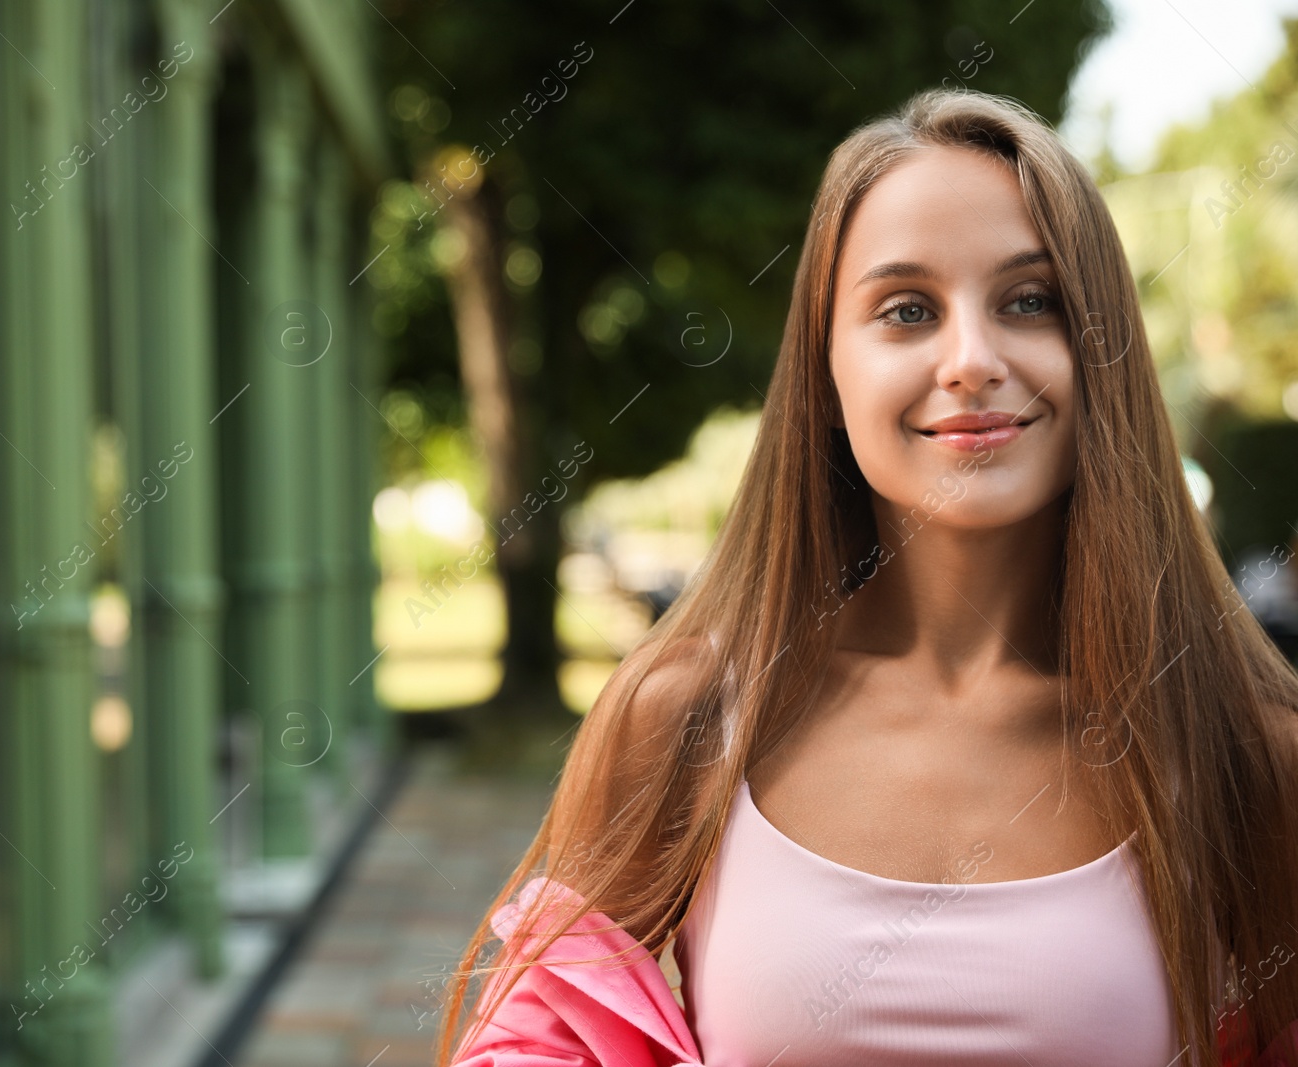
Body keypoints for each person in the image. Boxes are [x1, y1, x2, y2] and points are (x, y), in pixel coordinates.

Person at [434, 87, 1298, 1067]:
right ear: (827, 374)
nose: (970, 359)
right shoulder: (688, 718)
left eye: (1029, 300)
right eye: (905, 310)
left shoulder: (1244, 750)